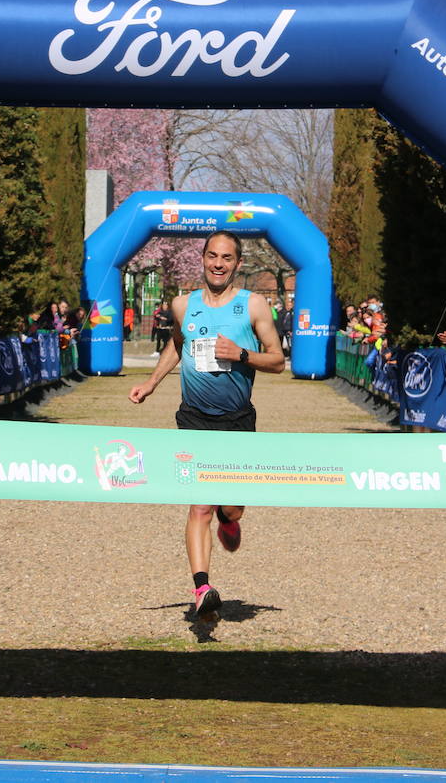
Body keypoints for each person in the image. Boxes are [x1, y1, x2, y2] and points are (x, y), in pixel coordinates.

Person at [127, 232, 285, 624]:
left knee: (228, 506)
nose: (218, 263)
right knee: (200, 504)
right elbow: (178, 344)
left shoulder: (253, 305)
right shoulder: (183, 304)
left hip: (236, 420)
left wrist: (242, 354)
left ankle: (229, 519)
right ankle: (202, 590)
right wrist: (151, 383)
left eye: (226, 258)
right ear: (202, 258)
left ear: (237, 263)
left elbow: (278, 360)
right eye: (212, 255)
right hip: (193, 418)